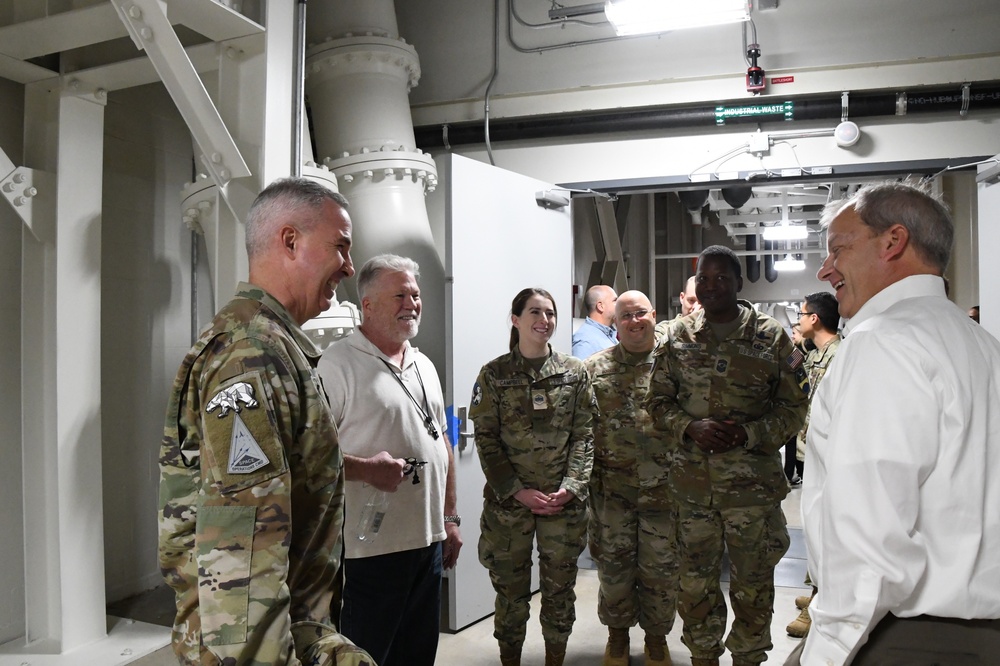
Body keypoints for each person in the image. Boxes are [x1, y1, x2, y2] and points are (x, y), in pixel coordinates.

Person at [158, 178, 373, 665]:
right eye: (340, 246)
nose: (349, 266)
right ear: (290, 241)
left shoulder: (273, 347)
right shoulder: (251, 355)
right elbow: (241, 560)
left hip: (292, 630)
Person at [788, 181, 1000, 665]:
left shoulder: (882, 342)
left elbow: (869, 539)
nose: (826, 270)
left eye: (838, 249)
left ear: (893, 241)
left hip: (906, 636)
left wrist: (824, 652)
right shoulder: (981, 345)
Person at [645, 245, 809, 666]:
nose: (712, 285)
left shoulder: (771, 337)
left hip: (752, 494)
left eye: (722, 278)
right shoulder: (677, 335)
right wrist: (688, 427)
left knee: (753, 587)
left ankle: (749, 659)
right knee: (695, 587)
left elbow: (795, 408)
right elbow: (657, 402)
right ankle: (703, 658)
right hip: (692, 492)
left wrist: (749, 433)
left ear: (739, 283)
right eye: (704, 278)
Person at [317, 253, 462, 666]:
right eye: (400, 294)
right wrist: (367, 470)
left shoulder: (423, 363)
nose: (412, 304)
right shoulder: (338, 365)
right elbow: (311, 457)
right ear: (367, 304)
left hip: (428, 542)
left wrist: (450, 519)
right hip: (370, 552)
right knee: (366, 655)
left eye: (416, 295)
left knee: (417, 654)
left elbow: (443, 443)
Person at [471, 287, 596, 666]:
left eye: (551, 313)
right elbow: (486, 439)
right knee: (510, 593)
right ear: (516, 320)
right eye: (535, 312)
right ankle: (510, 657)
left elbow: (585, 434)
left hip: (562, 505)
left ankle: (555, 658)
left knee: (560, 592)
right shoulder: (494, 375)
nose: (544, 320)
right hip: (510, 508)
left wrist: (571, 487)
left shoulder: (574, 373)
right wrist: (516, 491)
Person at [584, 290, 677, 666]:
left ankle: (657, 640)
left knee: (661, 572)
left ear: (654, 314)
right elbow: (581, 432)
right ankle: (617, 638)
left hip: (665, 492)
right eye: (626, 316)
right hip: (612, 495)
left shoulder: (676, 365)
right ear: (616, 321)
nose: (635, 321)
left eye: (641, 313)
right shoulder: (593, 369)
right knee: (614, 570)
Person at [784, 290, 841, 639]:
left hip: (832, 455)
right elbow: (791, 370)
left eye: (801, 315)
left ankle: (821, 604)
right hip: (812, 452)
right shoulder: (814, 352)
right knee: (815, 529)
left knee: (828, 531)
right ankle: (819, 590)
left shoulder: (840, 354)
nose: (798, 321)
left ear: (814, 319)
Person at [572, 284, 618, 358]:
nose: (619, 304)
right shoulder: (585, 342)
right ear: (600, 306)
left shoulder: (608, 334)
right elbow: (580, 369)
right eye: (615, 300)